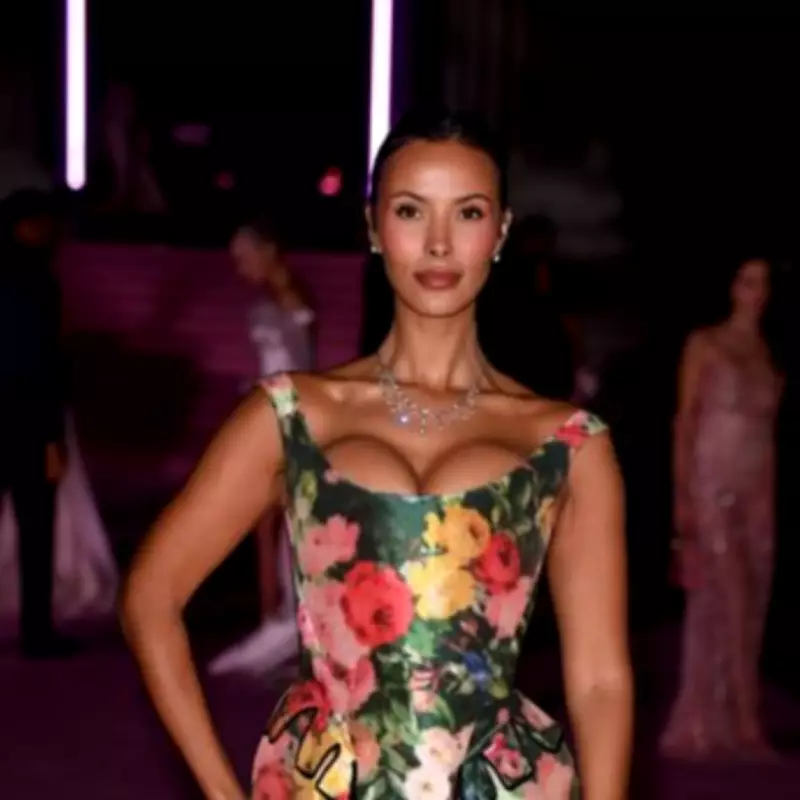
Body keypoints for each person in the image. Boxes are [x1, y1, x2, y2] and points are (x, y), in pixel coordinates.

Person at [122, 110, 632, 799]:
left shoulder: (568, 443)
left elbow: (600, 681)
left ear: (501, 232)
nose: (440, 243)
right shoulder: (292, 415)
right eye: (411, 211)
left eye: (469, 212)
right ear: (372, 227)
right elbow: (151, 596)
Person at [661, 257, 783, 759]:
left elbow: (768, 435)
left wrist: (769, 498)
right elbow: (685, 422)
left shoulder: (766, 353)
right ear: (731, 286)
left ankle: (726, 718)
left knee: (752, 601)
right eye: (749, 281)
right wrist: (683, 501)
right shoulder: (705, 343)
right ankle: (744, 725)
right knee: (727, 597)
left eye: (765, 283)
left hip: (757, 488)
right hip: (712, 483)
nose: (757, 292)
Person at [208, 216, 315, 677]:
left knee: (277, 518)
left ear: (268, 250)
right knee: (264, 519)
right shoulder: (269, 300)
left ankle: (285, 626)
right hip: (268, 413)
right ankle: (274, 620)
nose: (240, 267)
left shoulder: (291, 299)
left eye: (244, 256)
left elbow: (299, 366)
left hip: (286, 418)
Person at [0, 189, 78, 656]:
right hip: (27, 421)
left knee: (35, 527)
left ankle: (38, 628)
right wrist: (52, 436)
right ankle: (36, 630)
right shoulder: (38, 283)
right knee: (35, 528)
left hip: (20, 416)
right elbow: (42, 362)